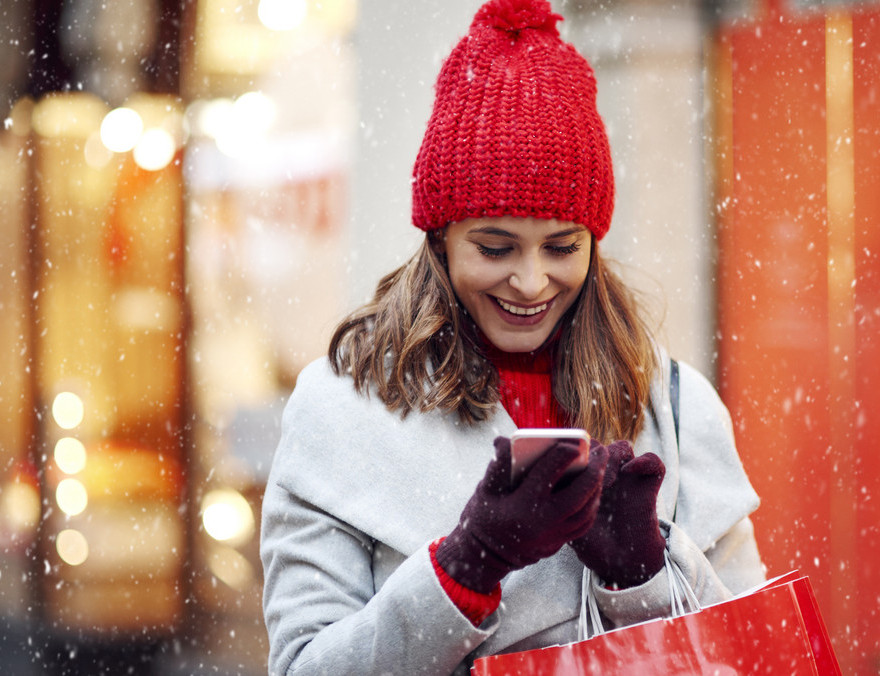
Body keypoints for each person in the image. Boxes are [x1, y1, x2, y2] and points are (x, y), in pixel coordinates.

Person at [259, 1, 765, 673]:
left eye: (562, 246)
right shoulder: (341, 411)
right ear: (440, 241)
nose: (531, 283)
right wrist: (465, 566)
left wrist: (645, 576)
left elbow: (756, 654)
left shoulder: (674, 407)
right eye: (495, 247)